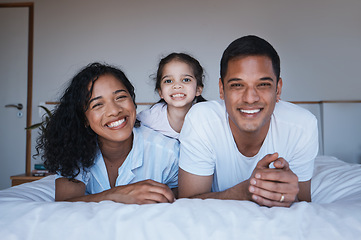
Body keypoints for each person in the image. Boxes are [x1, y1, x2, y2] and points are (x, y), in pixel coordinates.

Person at [178, 35, 319, 207]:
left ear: (278, 88)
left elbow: (305, 207)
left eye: (263, 85)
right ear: (222, 89)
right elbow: (186, 204)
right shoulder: (202, 120)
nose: (250, 98)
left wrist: (286, 194)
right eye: (237, 85)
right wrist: (245, 192)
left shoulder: (302, 126)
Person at [36, 62, 179, 204]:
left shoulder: (168, 151)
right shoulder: (73, 150)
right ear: (84, 118)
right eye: (97, 104)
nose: (114, 111)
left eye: (121, 97)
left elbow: (185, 202)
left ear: (132, 101)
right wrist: (117, 195)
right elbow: (65, 204)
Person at [137, 53, 206, 139]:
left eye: (186, 80)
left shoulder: (205, 116)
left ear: (198, 89)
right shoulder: (151, 118)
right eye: (168, 81)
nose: (177, 86)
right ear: (160, 92)